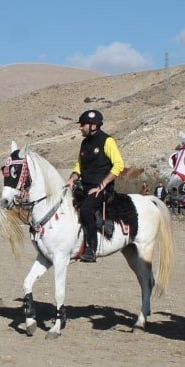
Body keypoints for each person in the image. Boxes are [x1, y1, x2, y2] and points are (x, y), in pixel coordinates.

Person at [67, 109, 124, 263]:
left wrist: (102, 185)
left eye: (83, 124)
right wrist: (72, 178)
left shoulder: (107, 141)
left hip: (102, 189)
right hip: (84, 187)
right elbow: (79, 165)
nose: (80, 127)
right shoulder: (84, 143)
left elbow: (119, 165)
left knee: (86, 209)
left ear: (93, 125)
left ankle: (91, 249)